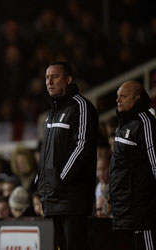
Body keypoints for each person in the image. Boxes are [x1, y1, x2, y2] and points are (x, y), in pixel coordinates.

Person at [37, 61, 98, 250]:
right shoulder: (51, 113)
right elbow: (46, 153)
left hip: (72, 199)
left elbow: (82, 147)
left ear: (69, 79)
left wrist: (61, 178)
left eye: (55, 76)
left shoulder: (81, 107)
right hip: (53, 199)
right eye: (47, 77)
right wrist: (41, 182)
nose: (49, 82)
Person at [109, 80, 156, 250]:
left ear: (136, 98)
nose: (118, 100)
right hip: (125, 210)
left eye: (123, 96)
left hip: (141, 210)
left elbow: (154, 160)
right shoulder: (124, 124)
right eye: (117, 97)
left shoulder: (145, 122)